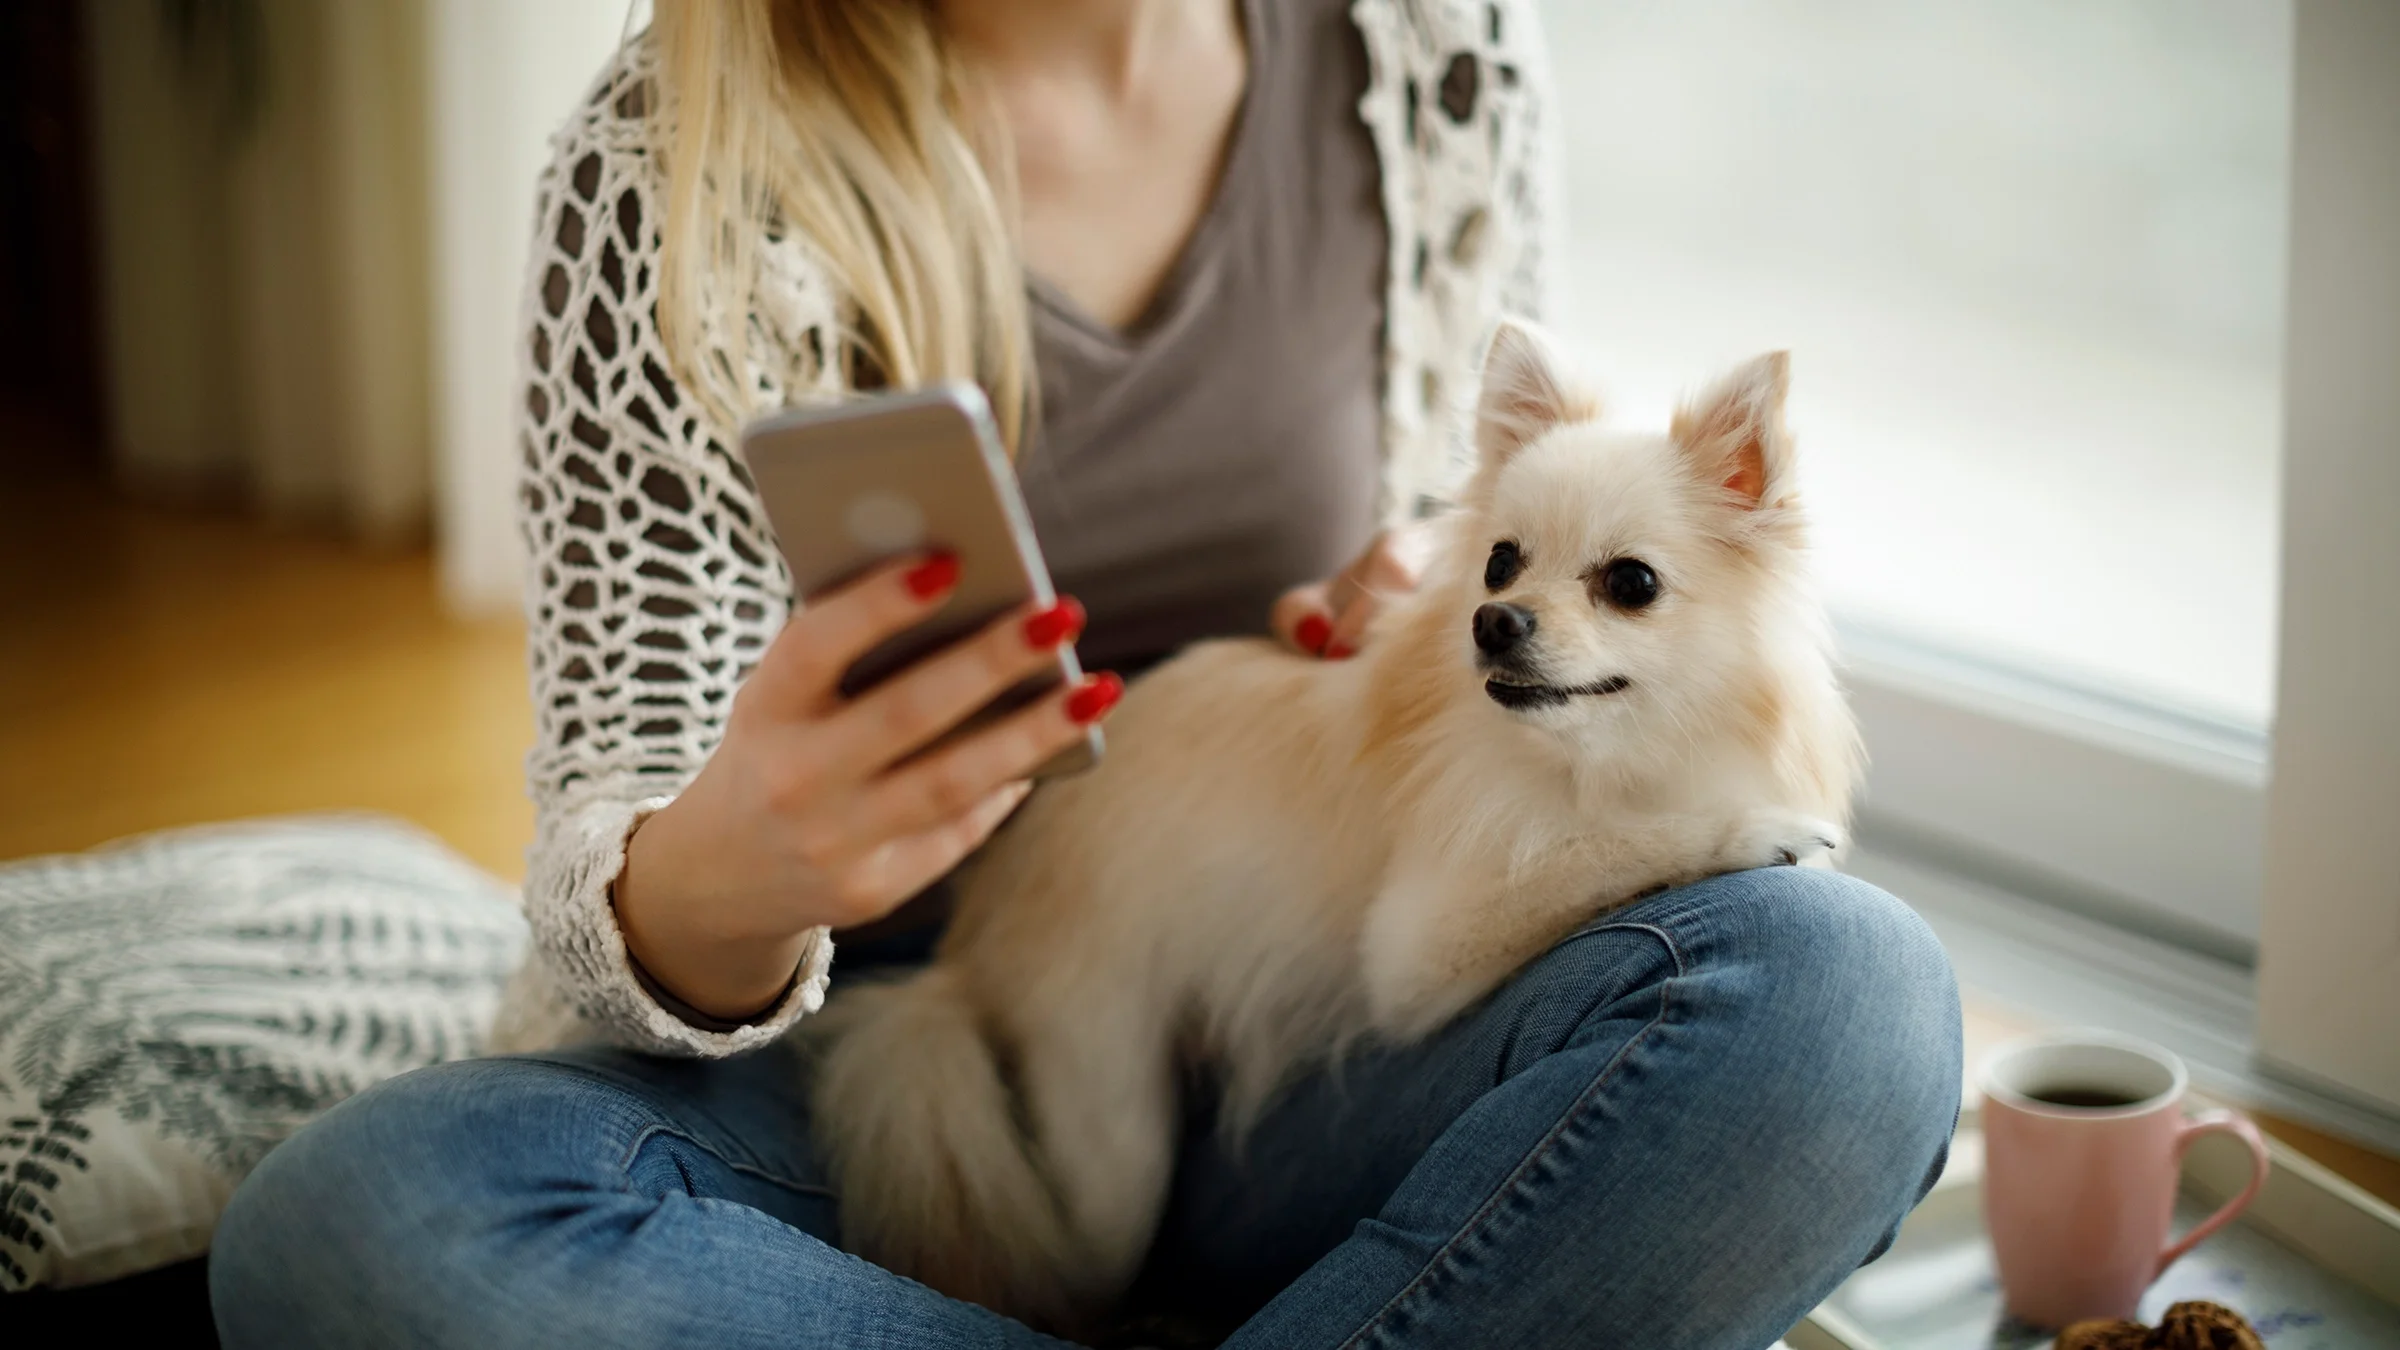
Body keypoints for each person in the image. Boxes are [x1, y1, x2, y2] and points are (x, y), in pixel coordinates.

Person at [209, 1, 1962, 1345]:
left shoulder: (1432, 55)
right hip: (878, 1064)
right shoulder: (668, 159)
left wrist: (1425, 603)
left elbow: (1496, 523)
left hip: (1332, 1008)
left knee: (1849, 997)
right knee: (364, 1219)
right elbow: (613, 854)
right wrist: (738, 866)